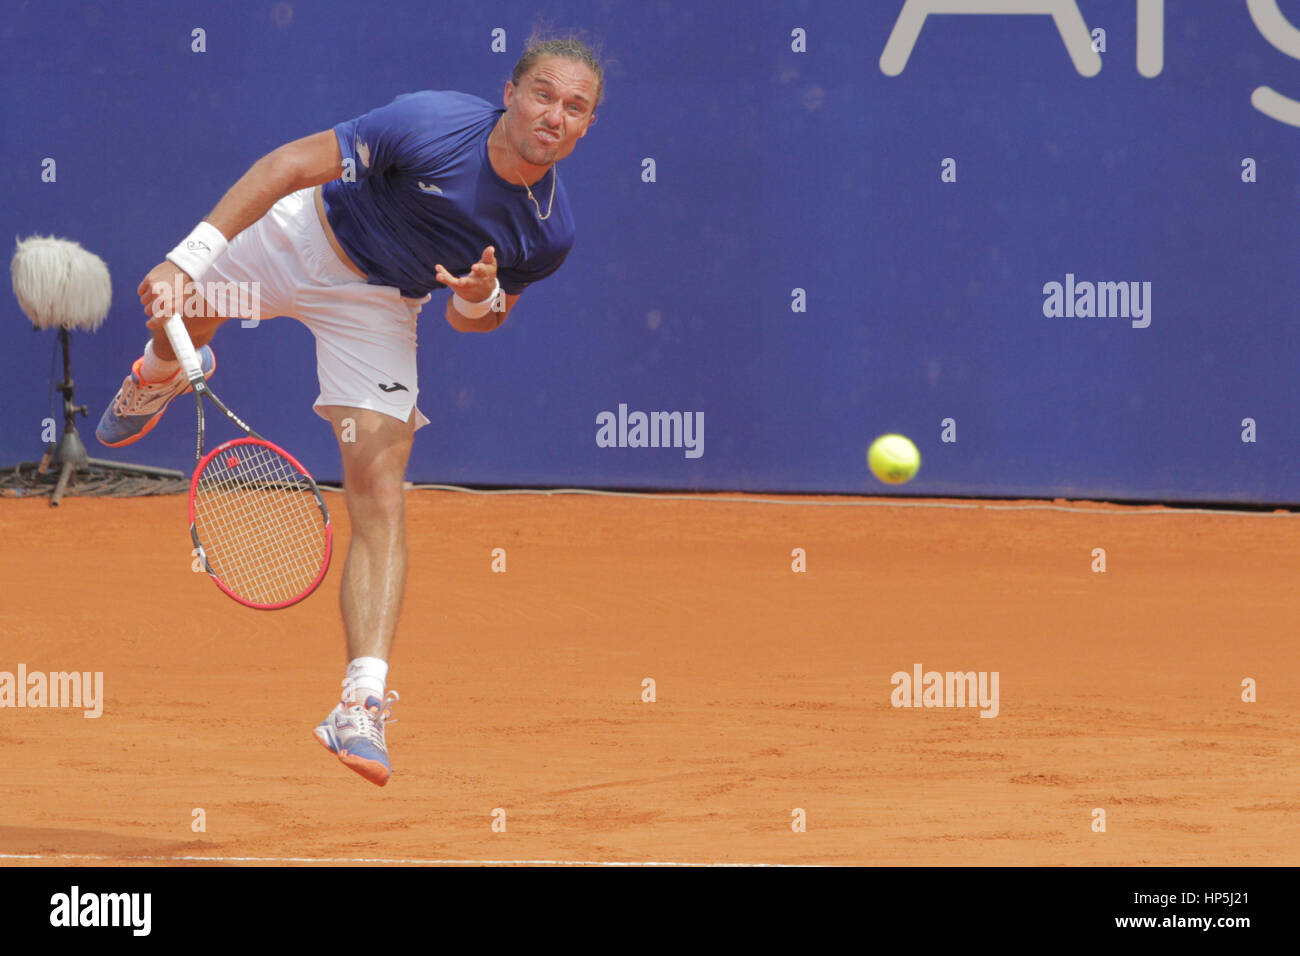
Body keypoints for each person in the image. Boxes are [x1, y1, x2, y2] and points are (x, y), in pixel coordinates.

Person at [96, 35, 604, 786]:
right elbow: (285, 167)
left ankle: (359, 703)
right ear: (511, 92)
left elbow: (482, 319)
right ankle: (166, 369)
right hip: (298, 237)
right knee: (185, 305)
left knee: (380, 488)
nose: (555, 115)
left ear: (588, 124)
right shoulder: (430, 123)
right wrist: (185, 257)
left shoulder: (547, 230)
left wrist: (475, 299)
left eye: (576, 107)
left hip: (375, 308)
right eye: (544, 95)